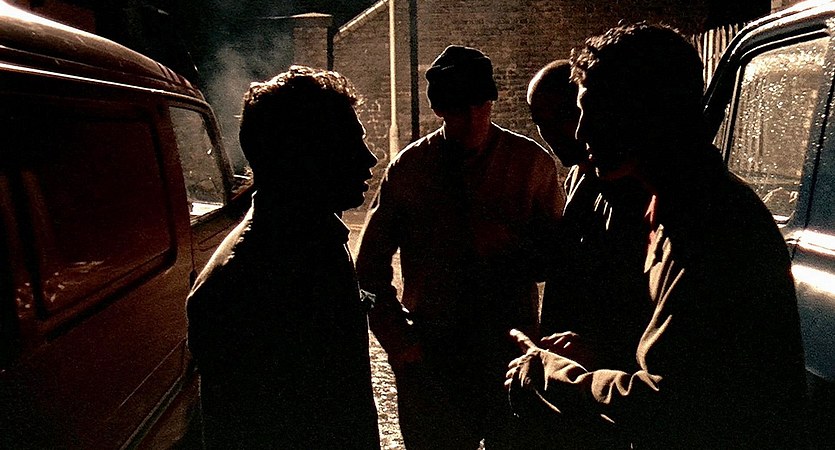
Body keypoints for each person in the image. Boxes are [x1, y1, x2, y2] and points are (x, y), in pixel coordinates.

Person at [506, 23, 808, 449]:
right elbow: (687, 358)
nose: (579, 132)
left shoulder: (710, 228)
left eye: (593, 111)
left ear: (643, 113)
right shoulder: (673, 208)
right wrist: (599, 352)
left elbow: (668, 406)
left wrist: (549, 374)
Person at [356, 45, 564, 449]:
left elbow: (561, 259)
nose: (471, 120)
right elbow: (369, 267)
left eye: (478, 106)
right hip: (433, 357)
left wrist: (511, 247)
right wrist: (399, 341)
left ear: (490, 102)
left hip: (511, 355)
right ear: (440, 111)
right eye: (457, 111)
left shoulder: (530, 164)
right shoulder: (410, 170)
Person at [186, 66, 380, 449]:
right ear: (304, 156)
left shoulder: (317, 237)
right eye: (349, 144)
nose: (370, 158)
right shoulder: (243, 282)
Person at [528, 60, 650, 371]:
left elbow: (638, 297)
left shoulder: (631, 188)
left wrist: (600, 348)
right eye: (541, 122)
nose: (552, 133)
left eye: (564, 116)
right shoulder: (577, 176)